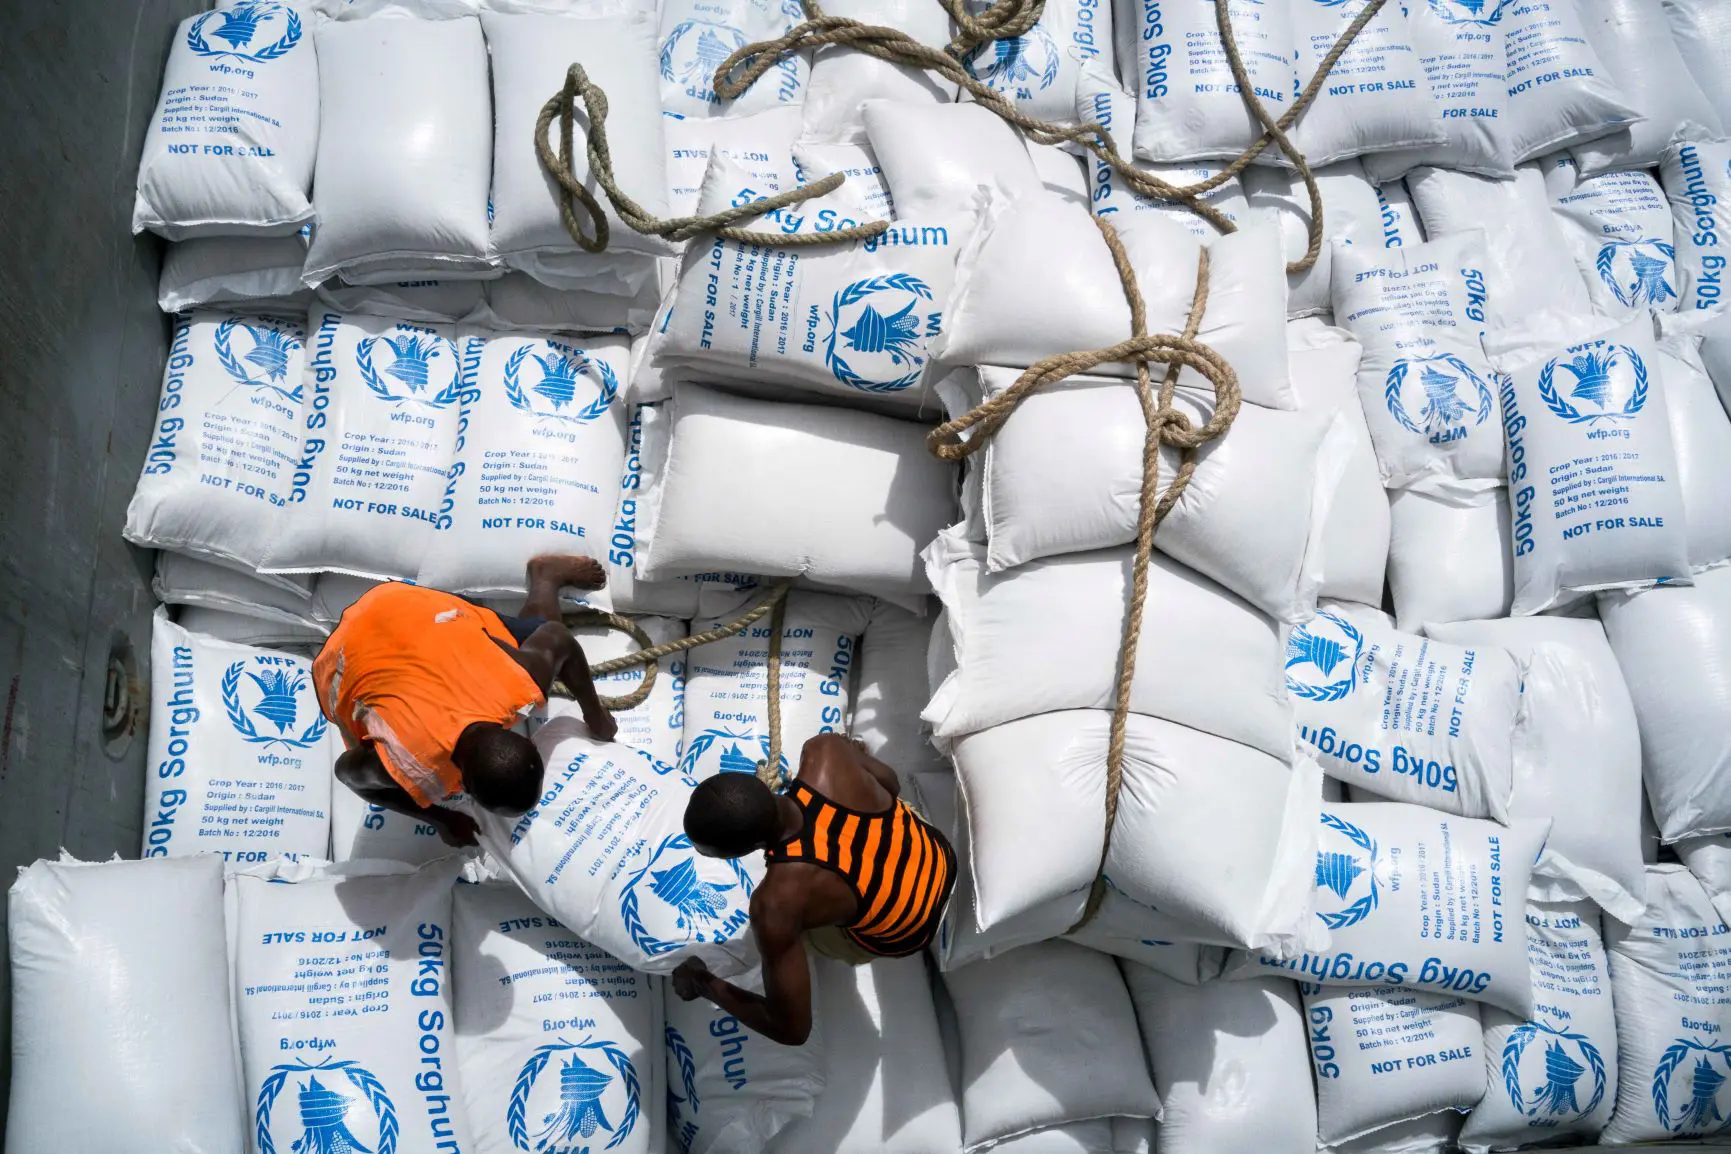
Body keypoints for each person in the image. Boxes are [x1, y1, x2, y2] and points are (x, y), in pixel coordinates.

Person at [669, 733, 956, 1045]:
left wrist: (701, 981)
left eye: (708, 853)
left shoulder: (776, 904)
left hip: (909, 929)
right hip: (939, 857)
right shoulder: (826, 751)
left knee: (790, 934)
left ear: (744, 850)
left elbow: (791, 1029)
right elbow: (891, 783)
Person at [313, 555, 617, 848]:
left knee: (533, 641)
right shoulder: (406, 763)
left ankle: (546, 578)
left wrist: (596, 717)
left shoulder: (516, 684)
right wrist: (439, 818)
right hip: (348, 646)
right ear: (465, 788)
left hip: (405, 606)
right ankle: (545, 577)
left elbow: (557, 636)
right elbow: (346, 773)